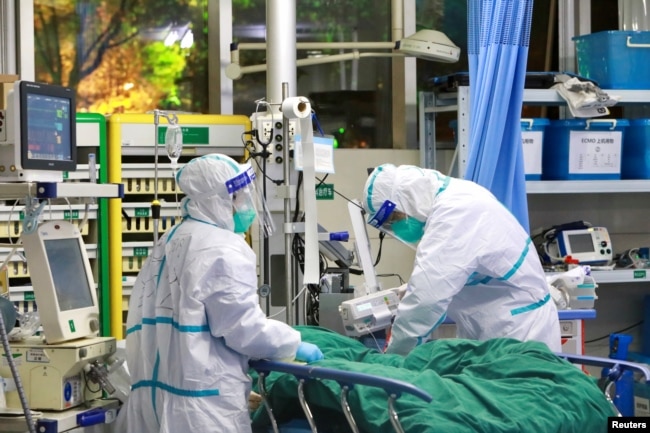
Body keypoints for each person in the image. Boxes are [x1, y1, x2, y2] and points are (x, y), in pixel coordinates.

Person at [117, 153, 324, 433]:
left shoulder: (173, 238)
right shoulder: (223, 248)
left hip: (152, 403)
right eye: (239, 196)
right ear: (218, 198)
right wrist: (292, 344)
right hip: (201, 412)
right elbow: (243, 328)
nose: (247, 203)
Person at [363, 163, 561, 356]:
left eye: (394, 219)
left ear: (408, 199)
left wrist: (395, 357)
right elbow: (465, 268)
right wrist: (410, 289)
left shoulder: (454, 213)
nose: (396, 227)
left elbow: (427, 300)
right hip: (499, 328)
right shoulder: (457, 195)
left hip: (518, 334)